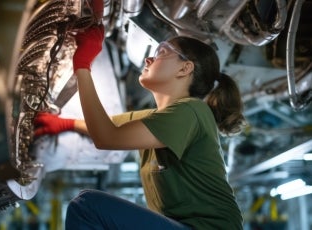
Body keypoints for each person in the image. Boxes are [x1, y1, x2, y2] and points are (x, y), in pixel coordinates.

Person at [34, 23, 246, 230]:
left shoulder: (191, 111)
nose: (149, 58)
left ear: (185, 68)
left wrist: (82, 64)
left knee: (87, 207)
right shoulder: (159, 119)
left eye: (162, 52)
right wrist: (63, 123)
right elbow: (105, 126)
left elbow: (106, 136)